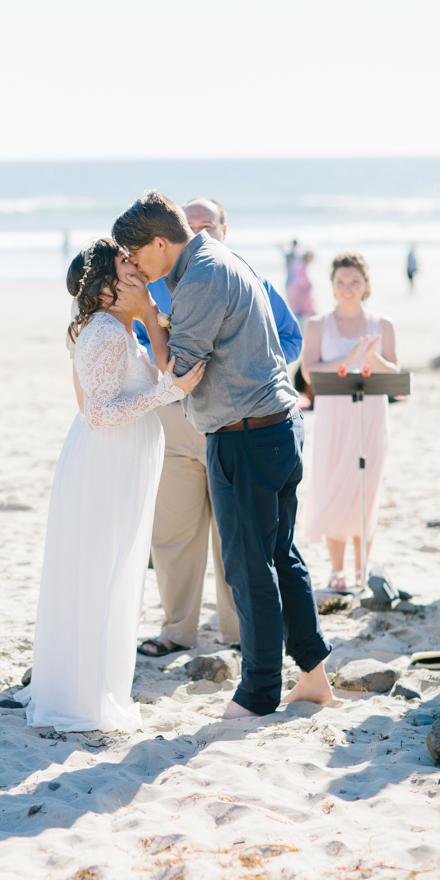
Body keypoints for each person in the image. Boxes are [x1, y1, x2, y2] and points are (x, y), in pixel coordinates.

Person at [112, 192, 332, 718]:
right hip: (275, 427)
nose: (136, 265)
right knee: (281, 556)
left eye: (137, 255)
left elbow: (182, 376)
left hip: (246, 437)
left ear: (160, 243)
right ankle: (315, 676)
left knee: (248, 567)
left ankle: (258, 694)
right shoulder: (219, 258)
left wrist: (145, 313)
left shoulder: (201, 278)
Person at [15, 238, 203, 732]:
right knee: (99, 572)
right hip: (103, 463)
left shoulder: (123, 328)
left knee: (114, 571)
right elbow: (96, 414)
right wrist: (167, 393)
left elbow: (156, 367)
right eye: (125, 263)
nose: (137, 266)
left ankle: (98, 685)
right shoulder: (101, 333)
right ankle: (81, 696)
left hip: (121, 461)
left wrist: (147, 315)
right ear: (103, 285)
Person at [133, 197, 302, 657]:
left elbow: (288, 338)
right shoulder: (158, 285)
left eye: (207, 224)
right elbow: (139, 342)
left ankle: (236, 632)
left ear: (224, 229)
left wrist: (251, 372)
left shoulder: (243, 274)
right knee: (172, 531)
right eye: (192, 224)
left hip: (234, 418)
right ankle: (177, 629)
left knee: (238, 536)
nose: (200, 231)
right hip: (172, 416)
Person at [302, 252, 398, 590]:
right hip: (332, 415)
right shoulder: (316, 324)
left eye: (354, 281)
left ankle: (363, 567)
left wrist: (374, 359)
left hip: (371, 413)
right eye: (341, 281)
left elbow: (396, 376)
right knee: (332, 482)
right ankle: (337, 568)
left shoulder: (382, 323)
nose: (347, 287)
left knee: (365, 487)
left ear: (366, 285)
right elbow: (307, 371)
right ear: (332, 286)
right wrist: (347, 359)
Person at [287, 250, 317, 329]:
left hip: (302, 304)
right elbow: (299, 288)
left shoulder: (301, 267)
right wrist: (301, 304)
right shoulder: (302, 269)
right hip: (303, 305)